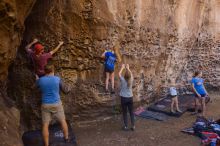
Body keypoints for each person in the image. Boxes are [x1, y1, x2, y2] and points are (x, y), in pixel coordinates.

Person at [36, 64, 70, 146]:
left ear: (45, 71)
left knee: (45, 125)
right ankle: (66, 138)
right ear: (53, 71)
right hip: (57, 104)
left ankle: (47, 144)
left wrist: (37, 79)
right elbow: (66, 90)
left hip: (45, 105)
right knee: (63, 121)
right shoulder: (57, 79)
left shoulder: (41, 80)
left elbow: (35, 87)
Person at [119, 64, 135, 131]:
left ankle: (125, 126)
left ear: (124, 76)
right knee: (131, 112)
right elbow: (131, 74)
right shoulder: (131, 79)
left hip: (123, 98)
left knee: (125, 113)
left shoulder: (122, 80)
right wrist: (128, 68)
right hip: (130, 98)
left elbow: (119, 73)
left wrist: (122, 68)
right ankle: (133, 126)